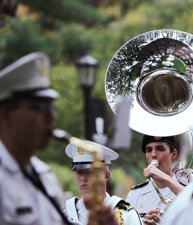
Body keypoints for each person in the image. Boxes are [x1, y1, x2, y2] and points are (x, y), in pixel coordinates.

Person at [0, 52, 118, 225]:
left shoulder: (44, 176)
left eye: (50, 108)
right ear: (6, 115)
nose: (51, 117)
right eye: (38, 107)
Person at [64, 141, 143, 225]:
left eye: (89, 172)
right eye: (79, 172)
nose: (83, 178)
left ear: (106, 175)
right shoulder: (66, 215)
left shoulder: (126, 215)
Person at [126, 135, 186, 224]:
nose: (153, 154)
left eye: (160, 149)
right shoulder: (135, 194)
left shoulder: (187, 187)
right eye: (149, 150)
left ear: (173, 154)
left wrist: (164, 177)